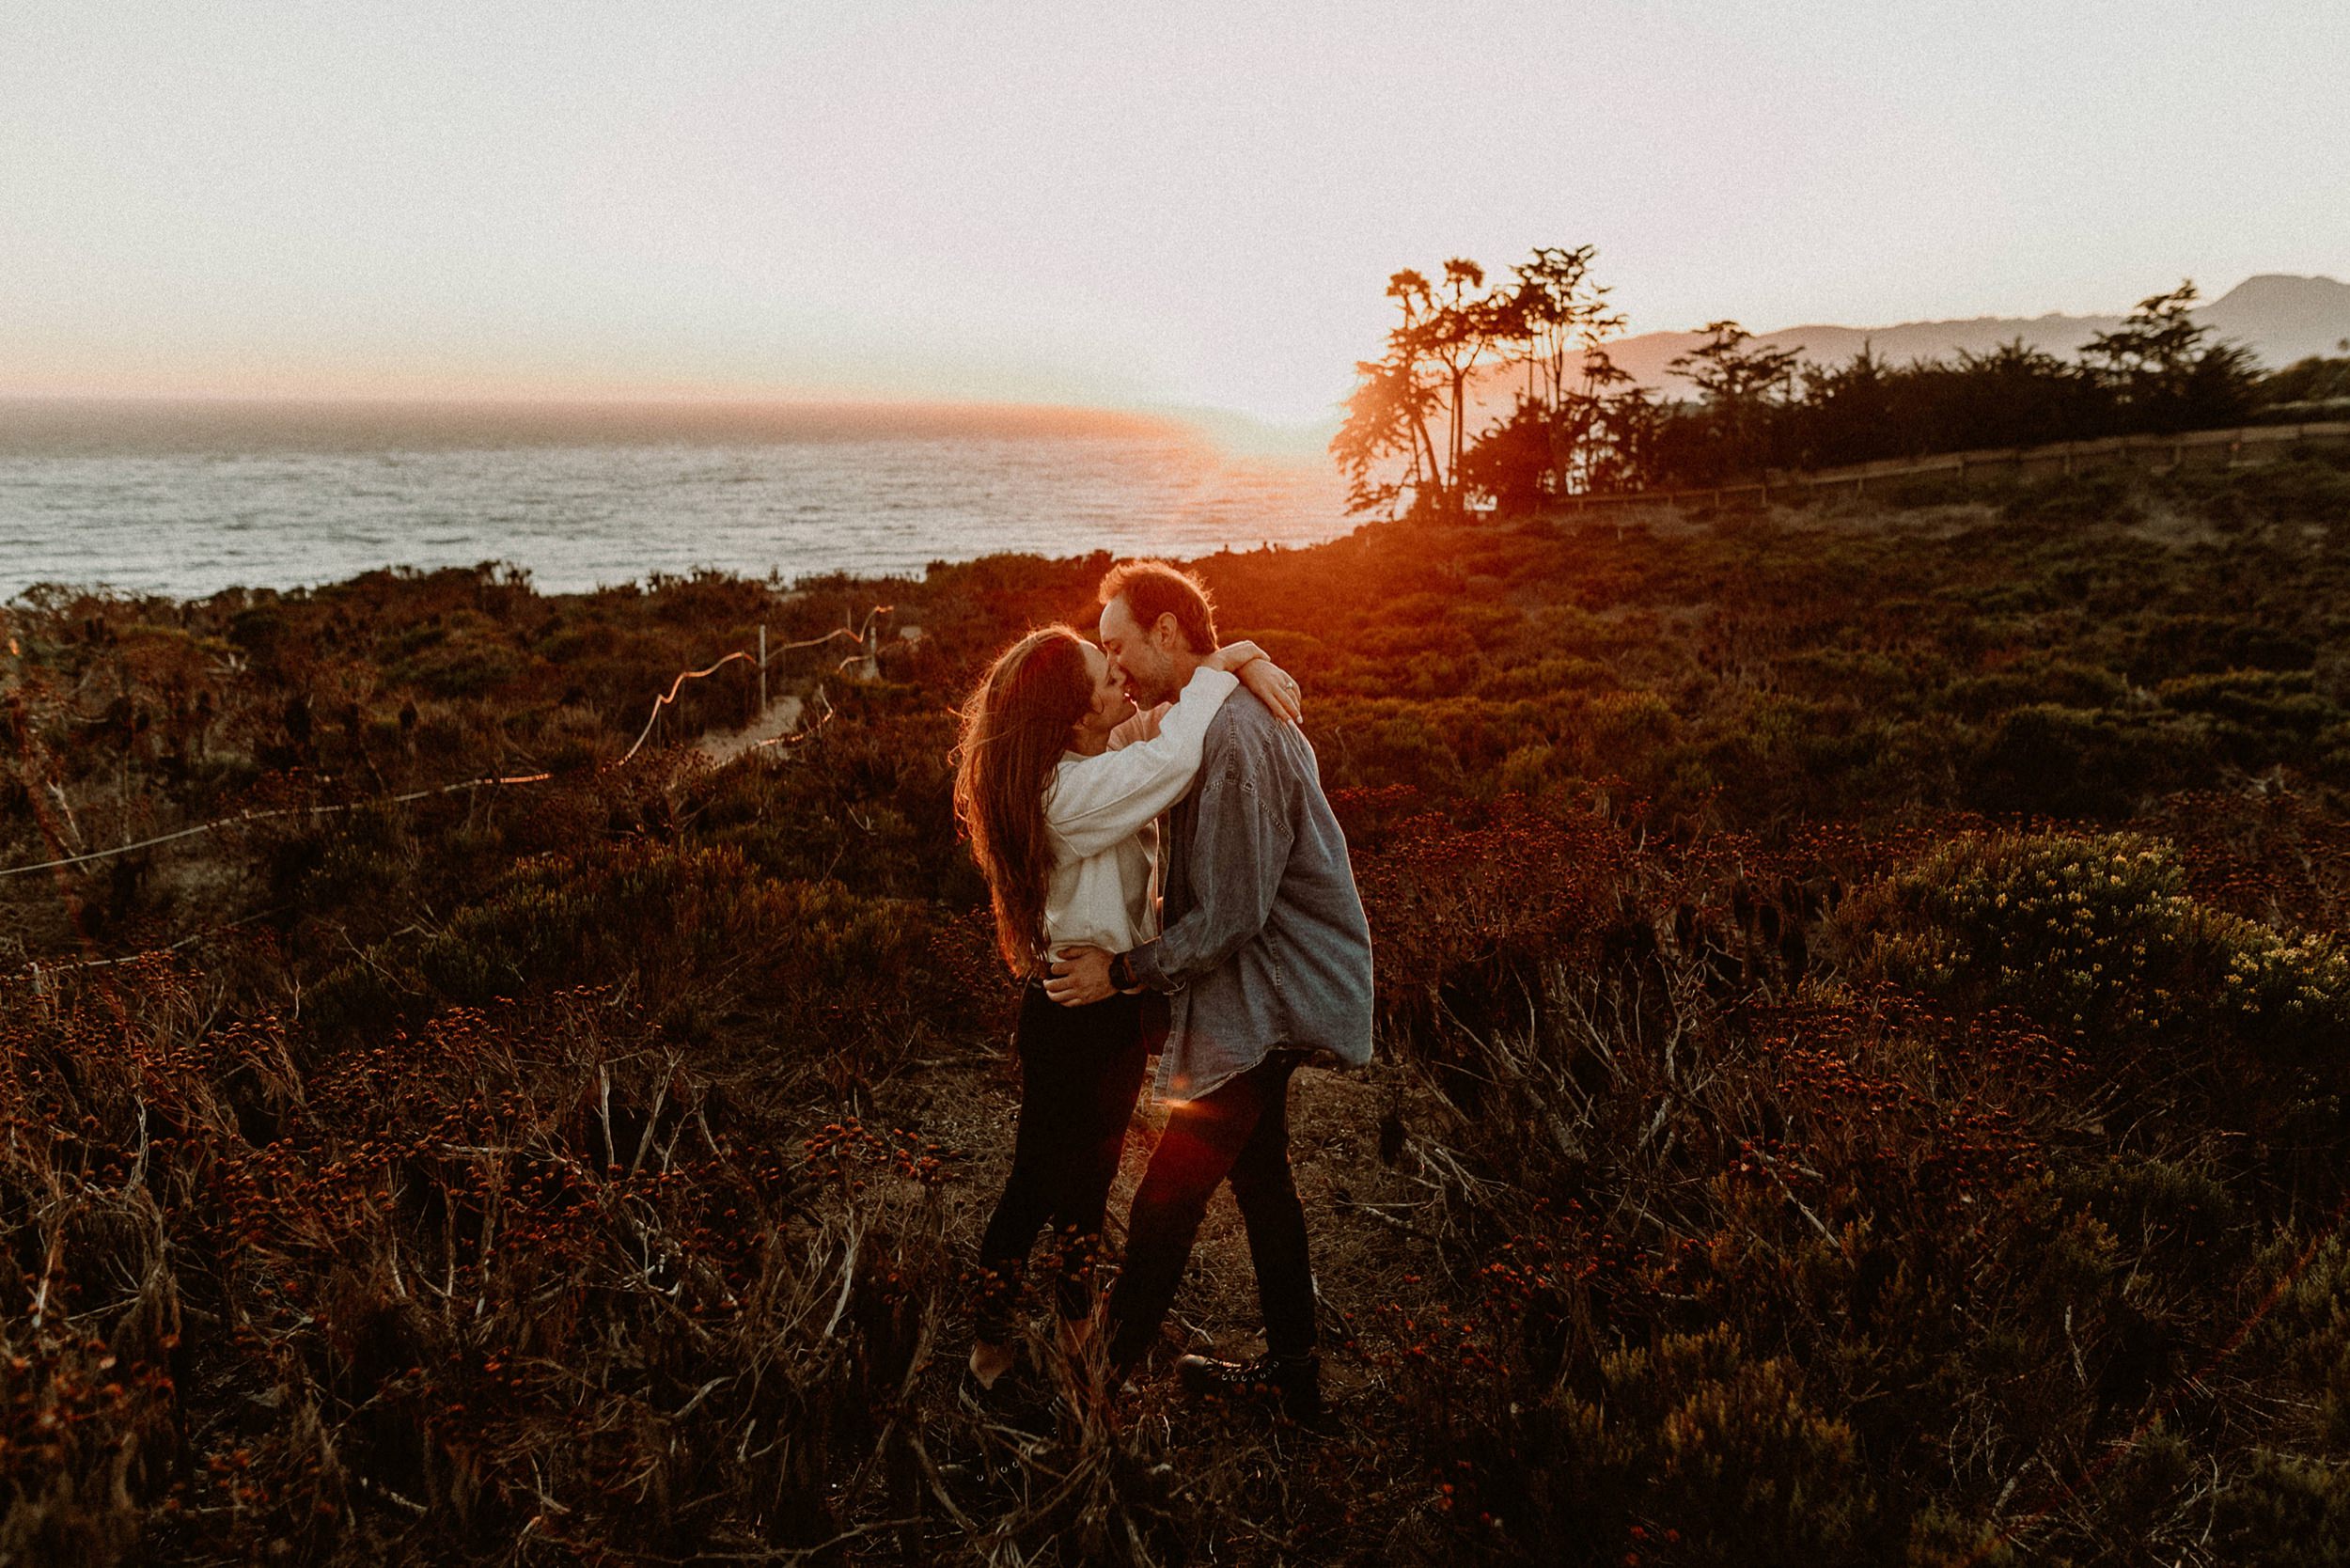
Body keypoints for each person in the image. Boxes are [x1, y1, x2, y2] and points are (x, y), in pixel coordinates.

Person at [1045, 560, 1374, 1422]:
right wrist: (1242, 654)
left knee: (1168, 1199)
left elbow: (1231, 915)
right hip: (1259, 987)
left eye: (1118, 646)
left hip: (1268, 995)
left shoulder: (1232, 739)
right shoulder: (1206, 713)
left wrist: (1122, 971)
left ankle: (1090, 1399)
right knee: (1263, 1178)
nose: (1113, 667)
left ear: (1165, 632)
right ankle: (1295, 1384)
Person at [950, 620, 1301, 1393]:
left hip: (1111, 1007)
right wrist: (1228, 664)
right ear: (1075, 713)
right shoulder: (1069, 794)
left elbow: (1163, 727)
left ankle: (1076, 1333)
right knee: (1034, 1188)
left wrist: (1239, 659)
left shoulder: (1090, 760)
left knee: (1091, 1181)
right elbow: (1173, 757)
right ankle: (987, 1353)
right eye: (1105, 677)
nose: (1120, 676)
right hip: (1070, 1015)